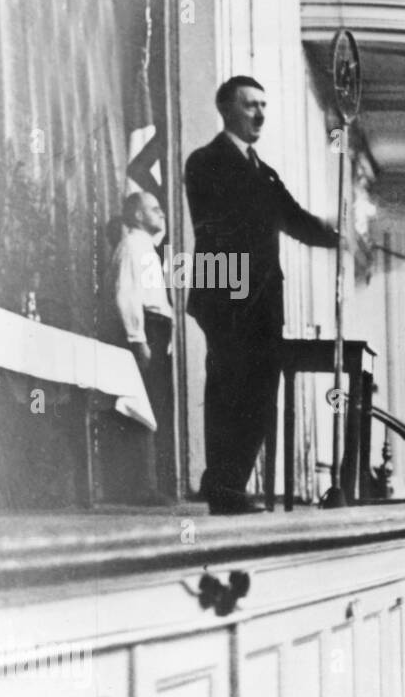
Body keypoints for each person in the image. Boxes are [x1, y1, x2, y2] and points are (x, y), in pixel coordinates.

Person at [186, 76, 340, 514]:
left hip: (264, 304)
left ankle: (230, 482)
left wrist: (336, 235)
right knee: (228, 389)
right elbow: (220, 225)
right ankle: (223, 484)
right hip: (227, 294)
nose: (260, 114)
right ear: (225, 109)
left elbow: (292, 218)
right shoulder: (206, 161)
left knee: (258, 394)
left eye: (264, 106)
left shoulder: (263, 171)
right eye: (251, 105)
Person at [103, 192, 175, 505]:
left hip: (156, 329)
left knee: (156, 405)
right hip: (143, 332)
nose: (161, 213)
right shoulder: (132, 245)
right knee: (141, 406)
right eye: (153, 209)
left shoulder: (147, 247)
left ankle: (151, 485)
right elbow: (125, 294)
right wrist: (138, 338)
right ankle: (141, 488)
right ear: (135, 215)